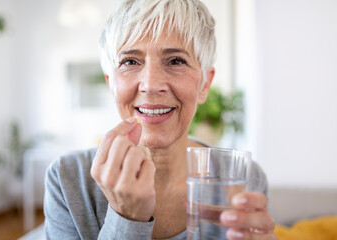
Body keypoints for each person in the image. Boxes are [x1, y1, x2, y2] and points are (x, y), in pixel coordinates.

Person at [44, 0, 277, 239]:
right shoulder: (67, 179)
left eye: (176, 60)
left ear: (205, 84)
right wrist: (126, 218)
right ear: (110, 83)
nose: (151, 85)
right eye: (130, 62)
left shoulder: (243, 178)